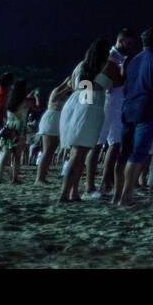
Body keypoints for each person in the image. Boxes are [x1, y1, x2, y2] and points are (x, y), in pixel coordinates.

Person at [115, 27, 153, 207]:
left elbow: (125, 84)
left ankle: (117, 195)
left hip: (128, 108)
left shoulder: (132, 60)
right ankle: (126, 196)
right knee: (137, 154)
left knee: (124, 153)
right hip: (148, 110)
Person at [58, 39, 117, 203]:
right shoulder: (108, 65)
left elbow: (73, 84)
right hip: (89, 108)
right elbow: (115, 83)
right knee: (78, 154)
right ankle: (64, 194)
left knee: (78, 154)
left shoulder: (81, 66)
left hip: (75, 104)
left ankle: (73, 193)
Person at [94, 27, 137, 198]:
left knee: (110, 144)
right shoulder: (112, 59)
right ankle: (101, 182)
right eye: (127, 43)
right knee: (106, 143)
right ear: (119, 40)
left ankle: (103, 181)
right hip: (109, 103)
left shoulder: (119, 58)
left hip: (114, 104)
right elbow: (111, 84)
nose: (129, 46)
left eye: (131, 44)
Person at [34, 79, 71, 184]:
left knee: (51, 151)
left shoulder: (68, 95)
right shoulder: (57, 91)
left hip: (58, 121)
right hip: (51, 119)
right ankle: (39, 178)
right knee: (47, 150)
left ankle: (42, 176)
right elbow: (54, 99)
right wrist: (67, 86)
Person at [0, 80, 32, 185]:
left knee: (4, 153)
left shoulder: (10, 100)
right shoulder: (25, 101)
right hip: (19, 127)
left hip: (9, 127)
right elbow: (35, 106)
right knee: (17, 156)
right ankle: (14, 178)